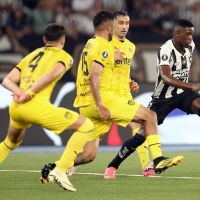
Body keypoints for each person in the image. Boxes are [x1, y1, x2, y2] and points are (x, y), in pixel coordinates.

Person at [40, 11, 183, 182]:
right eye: (120, 23)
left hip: (117, 95)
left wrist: (130, 82)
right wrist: (100, 102)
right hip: (107, 98)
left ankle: (57, 167)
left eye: (127, 23)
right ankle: (152, 163)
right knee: (147, 119)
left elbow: (115, 71)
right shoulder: (104, 44)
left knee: (89, 155)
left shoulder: (129, 46)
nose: (124, 27)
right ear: (111, 25)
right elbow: (95, 73)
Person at [0, 23, 95, 192]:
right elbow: (51, 75)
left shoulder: (32, 55)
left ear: (45, 39)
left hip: (16, 107)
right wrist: (29, 92)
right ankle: (60, 169)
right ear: (63, 40)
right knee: (87, 126)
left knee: (10, 143)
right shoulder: (65, 56)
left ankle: (59, 169)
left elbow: (7, 80)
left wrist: (20, 92)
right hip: (35, 106)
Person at [104, 19, 200, 179]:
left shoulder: (191, 46)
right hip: (163, 98)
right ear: (177, 34)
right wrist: (191, 86)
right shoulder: (165, 49)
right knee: (141, 136)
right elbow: (165, 77)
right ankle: (113, 165)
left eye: (192, 33)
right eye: (188, 34)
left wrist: (188, 88)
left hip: (183, 93)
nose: (191, 37)